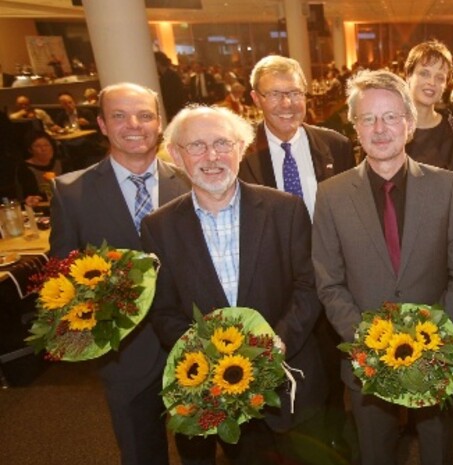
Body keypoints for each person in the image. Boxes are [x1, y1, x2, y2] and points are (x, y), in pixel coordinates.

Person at [142, 105, 327, 465]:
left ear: (241, 149)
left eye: (223, 143)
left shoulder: (285, 210)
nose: (212, 157)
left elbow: (308, 286)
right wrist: (207, 359)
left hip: (288, 385)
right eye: (196, 146)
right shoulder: (158, 227)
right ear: (177, 156)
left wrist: (279, 343)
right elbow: (162, 310)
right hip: (213, 390)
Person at [312, 69, 453, 465]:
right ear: (355, 128)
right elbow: (329, 282)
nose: (380, 128)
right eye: (367, 118)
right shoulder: (331, 195)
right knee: (374, 451)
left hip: (434, 352)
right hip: (365, 358)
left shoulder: (445, 186)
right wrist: (367, 341)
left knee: (437, 448)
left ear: (409, 124)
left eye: (390, 117)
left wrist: (438, 331)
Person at [49, 82, 192, 465]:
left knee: (203, 451)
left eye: (145, 115)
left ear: (159, 122)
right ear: (100, 124)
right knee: (140, 453)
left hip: (191, 344)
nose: (134, 124)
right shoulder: (71, 193)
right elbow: (63, 282)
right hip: (124, 355)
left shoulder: (191, 181)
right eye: (119, 115)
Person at [239, 55, 354, 219]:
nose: (286, 103)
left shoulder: (337, 146)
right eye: (274, 94)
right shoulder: (240, 154)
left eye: (295, 93)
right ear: (256, 99)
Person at [404, 40, 453, 179]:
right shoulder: (387, 127)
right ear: (408, 76)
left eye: (440, 77)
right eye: (424, 73)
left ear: (446, 84)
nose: (431, 82)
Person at [14, 131, 63, 206]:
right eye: (37, 146)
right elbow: (26, 196)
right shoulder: (25, 169)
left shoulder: (61, 163)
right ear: (30, 150)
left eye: (47, 145)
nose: (43, 149)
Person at [154, 51, 187, 120]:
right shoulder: (166, 75)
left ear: (158, 63)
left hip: (173, 111)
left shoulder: (170, 76)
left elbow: (172, 96)